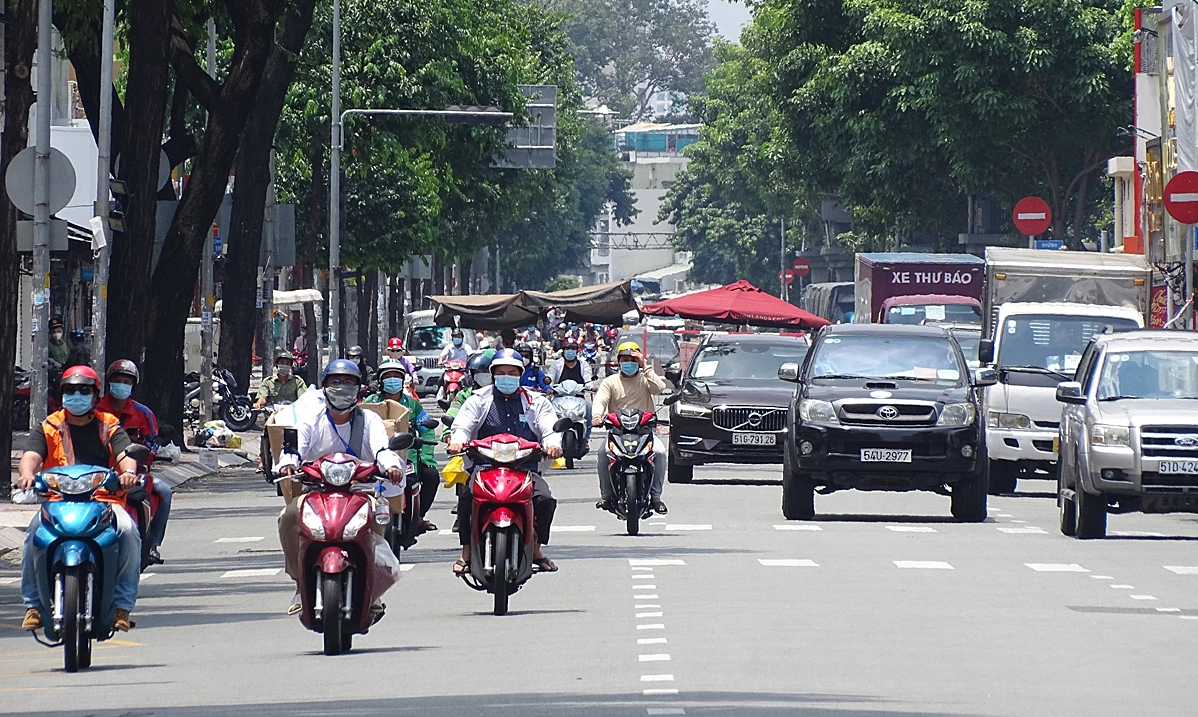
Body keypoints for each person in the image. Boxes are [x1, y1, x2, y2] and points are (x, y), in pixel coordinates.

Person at [16, 366, 141, 632]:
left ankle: (122, 606)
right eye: (70, 390)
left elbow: (124, 454)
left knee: (129, 531)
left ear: (95, 395)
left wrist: (129, 473)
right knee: (32, 536)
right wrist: (27, 475)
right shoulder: (49, 426)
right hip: (57, 501)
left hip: (105, 500)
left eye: (84, 390)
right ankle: (33, 605)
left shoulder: (109, 424)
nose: (77, 395)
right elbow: (31, 456)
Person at [275, 360, 404, 616]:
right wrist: (287, 464)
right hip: (316, 493)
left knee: (375, 526)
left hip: (362, 490)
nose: (341, 388)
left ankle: (373, 590)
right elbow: (294, 449)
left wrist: (390, 465)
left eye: (348, 383)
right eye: (335, 382)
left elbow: (382, 449)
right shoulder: (311, 420)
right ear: (324, 387)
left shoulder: (370, 420)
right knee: (288, 517)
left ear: (359, 389)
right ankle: (301, 583)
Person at [448, 349, 561, 575]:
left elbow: (549, 427)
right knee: (466, 498)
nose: (506, 377)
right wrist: (458, 441)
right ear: (493, 375)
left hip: (525, 469)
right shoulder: (478, 400)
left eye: (512, 373)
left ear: (520, 375)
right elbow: (463, 426)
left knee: (545, 499)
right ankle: (466, 551)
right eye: (501, 373)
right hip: (484, 468)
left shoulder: (536, 401)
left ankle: (536, 548)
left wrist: (553, 444)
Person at [95, 359, 171, 566]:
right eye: (117, 380)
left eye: (126, 381)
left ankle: (152, 544)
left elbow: (152, 445)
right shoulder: (95, 413)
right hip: (96, 475)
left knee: (164, 491)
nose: (121, 385)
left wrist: (144, 453)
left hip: (133, 475)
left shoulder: (143, 414)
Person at [592, 341, 668, 514]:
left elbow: (659, 388)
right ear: (619, 362)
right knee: (603, 454)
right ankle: (606, 495)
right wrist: (597, 416)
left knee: (660, 453)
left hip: (644, 432)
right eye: (625, 359)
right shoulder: (610, 382)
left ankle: (656, 498)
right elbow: (601, 400)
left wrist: (645, 366)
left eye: (632, 359)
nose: (629, 363)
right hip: (617, 432)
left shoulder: (646, 379)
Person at [366, 359, 439, 531]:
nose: (392, 380)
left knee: (431, 476)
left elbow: (426, 428)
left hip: (408, 455)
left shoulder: (412, 404)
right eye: (388, 376)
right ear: (381, 380)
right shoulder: (371, 402)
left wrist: (426, 456)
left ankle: (419, 517)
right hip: (376, 455)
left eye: (396, 376)